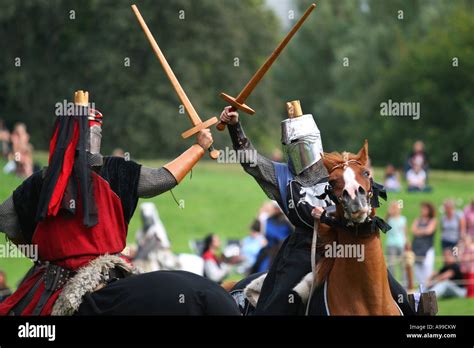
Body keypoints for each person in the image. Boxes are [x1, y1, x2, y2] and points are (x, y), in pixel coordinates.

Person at [0, 90, 220, 316]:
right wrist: (199, 147)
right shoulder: (115, 170)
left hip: (56, 283)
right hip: (106, 277)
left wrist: (36, 252)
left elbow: (5, 218)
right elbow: (163, 178)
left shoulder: (42, 180)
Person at [219, 100, 412, 315]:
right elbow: (250, 161)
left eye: (304, 144)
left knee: (393, 291)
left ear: (315, 142)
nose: (300, 151)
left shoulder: (334, 170)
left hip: (345, 243)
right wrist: (234, 126)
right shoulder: (282, 177)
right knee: (279, 303)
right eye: (294, 145)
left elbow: (364, 194)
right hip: (303, 250)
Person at [411, 202, 437, 287]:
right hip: (417, 248)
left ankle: (428, 288)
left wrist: (419, 231)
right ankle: (421, 289)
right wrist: (423, 231)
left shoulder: (433, 220)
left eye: (424, 209)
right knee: (417, 270)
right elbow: (413, 230)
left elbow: (429, 231)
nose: (422, 210)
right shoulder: (417, 220)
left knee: (427, 268)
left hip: (427, 249)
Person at [385, 201, 407, 284]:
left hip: (401, 244)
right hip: (391, 244)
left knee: (403, 265)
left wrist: (406, 243)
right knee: (391, 265)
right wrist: (389, 212)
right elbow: (384, 223)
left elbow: (405, 232)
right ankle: (393, 283)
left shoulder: (403, 219)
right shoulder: (389, 219)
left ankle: (404, 283)